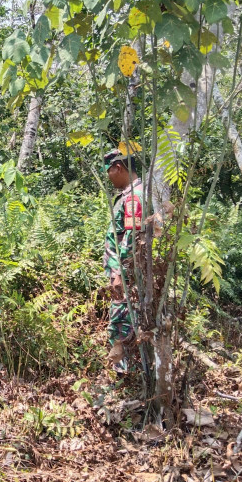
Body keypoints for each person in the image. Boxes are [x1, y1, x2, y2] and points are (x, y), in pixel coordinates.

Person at [103, 149, 143, 373]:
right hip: (124, 274)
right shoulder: (130, 194)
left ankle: (125, 376)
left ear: (118, 167)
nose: (108, 177)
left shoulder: (134, 196)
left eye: (108, 171)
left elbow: (132, 238)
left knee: (121, 325)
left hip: (126, 276)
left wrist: (119, 273)